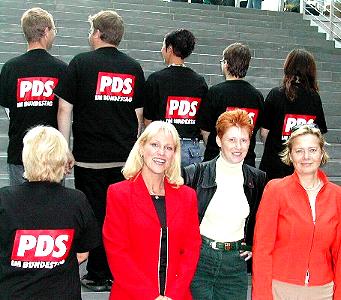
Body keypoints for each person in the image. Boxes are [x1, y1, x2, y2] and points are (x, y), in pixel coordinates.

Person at [56, 10, 146, 291]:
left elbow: (64, 108)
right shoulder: (133, 67)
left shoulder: (81, 63)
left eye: (91, 30)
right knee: (121, 217)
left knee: (93, 214)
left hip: (89, 158)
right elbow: (139, 117)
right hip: (122, 159)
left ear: (98, 33)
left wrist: (64, 146)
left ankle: (96, 274)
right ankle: (119, 271)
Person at [103, 121, 201, 299]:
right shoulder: (119, 194)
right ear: (141, 148)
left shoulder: (188, 196)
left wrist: (172, 294)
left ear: (174, 154)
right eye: (154, 145)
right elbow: (117, 253)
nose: (161, 153)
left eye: (168, 148)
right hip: (132, 295)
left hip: (176, 295)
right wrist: (151, 296)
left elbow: (191, 250)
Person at [0, 125, 101, 300]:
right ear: (62, 160)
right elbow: (83, 253)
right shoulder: (76, 200)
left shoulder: (4, 199)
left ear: (26, 158)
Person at [183, 109, 267, 299]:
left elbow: (263, 220)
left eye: (244, 140)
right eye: (231, 140)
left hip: (235, 264)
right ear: (219, 141)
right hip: (199, 260)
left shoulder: (258, 179)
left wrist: (254, 245)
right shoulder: (193, 174)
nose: (238, 146)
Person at [252, 124, 341, 300]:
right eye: (299, 151)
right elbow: (262, 249)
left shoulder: (337, 196)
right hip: (280, 289)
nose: (306, 157)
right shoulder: (275, 190)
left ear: (321, 154)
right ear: (290, 155)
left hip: (323, 291)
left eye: (312, 150)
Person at [0, 7, 67, 186]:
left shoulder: (10, 68)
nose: (54, 34)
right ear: (45, 31)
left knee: (19, 210)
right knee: (53, 210)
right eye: (53, 30)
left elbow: (9, 109)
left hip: (20, 152)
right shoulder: (61, 69)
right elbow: (64, 111)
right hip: (52, 153)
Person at [259, 49, 327, 181]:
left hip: (274, 164)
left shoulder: (275, 94)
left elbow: (263, 132)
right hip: (301, 167)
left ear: (288, 67)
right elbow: (318, 134)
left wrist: (273, 147)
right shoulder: (314, 98)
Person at [144, 29, 208, 167]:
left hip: (163, 145)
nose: (162, 50)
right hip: (191, 148)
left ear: (170, 49)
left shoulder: (156, 79)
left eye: (163, 46)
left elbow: (148, 119)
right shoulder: (199, 81)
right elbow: (203, 119)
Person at [197, 42, 264, 167]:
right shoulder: (257, 96)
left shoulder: (215, 93)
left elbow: (205, 130)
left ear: (226, 64)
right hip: (246, 162)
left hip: (216, 159)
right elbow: (256, 129)